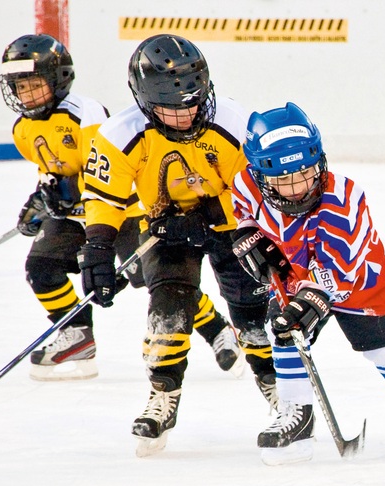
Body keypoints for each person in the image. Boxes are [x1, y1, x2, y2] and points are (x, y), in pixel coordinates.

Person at [230, 102, 385, 465]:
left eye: (303, 173)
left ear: (320, 162)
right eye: (281, 180)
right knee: (284, 331)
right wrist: (248, 237)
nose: (296, 188)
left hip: (361, 283)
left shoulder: (344, 198)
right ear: (259, 175)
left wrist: (309, 298)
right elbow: (243, 217)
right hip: (292, 275)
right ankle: (296, 415)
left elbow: (336, 269)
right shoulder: (246, 186)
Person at [0, 34, 244, 382]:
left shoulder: (86, 114)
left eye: (34, 85)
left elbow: (103, 178)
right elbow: (52, 170)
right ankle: (77, 338)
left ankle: (217, 328)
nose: (26, 95)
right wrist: (44, 196)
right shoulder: (22, 130)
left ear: (58, 78)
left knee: (152, 279)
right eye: (19, 87)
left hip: (123, 215)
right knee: (40, 268)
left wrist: (71, 192)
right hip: (74, 217)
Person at [77, 34, 276, 456]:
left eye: (193, 102)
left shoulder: (235, 123)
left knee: (252, 315)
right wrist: (97, 246)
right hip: (166, 228)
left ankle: (280, 392)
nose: (185, 114)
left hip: (235, 227)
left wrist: (213, 216)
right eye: (171, 107)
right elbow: (104, 197)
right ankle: (163, 395)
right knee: (167, 306)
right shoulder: (119, 134)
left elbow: (256, 188)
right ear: (145, 101)